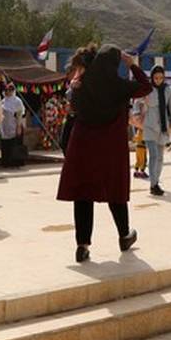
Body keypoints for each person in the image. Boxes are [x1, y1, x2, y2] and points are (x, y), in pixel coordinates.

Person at [57, 44, 151, 263]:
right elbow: (146, 87)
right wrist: (132, 65)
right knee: (115, 191)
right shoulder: (121, 86)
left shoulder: (81, 84)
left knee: (83, 194)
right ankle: (124, 235)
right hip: (111, 148)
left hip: (83, 146)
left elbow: (73, 105)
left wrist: (75, 87)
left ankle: (82, 246)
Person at [141, 66, 171, 196]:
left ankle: (156, 181)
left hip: (163, 126)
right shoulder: (147, 89)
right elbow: (137, 104)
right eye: (156, 78)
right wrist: (140, 110)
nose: (158, 80)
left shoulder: (168, 89)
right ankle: (153, 184)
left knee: (160, 157)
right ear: (152, 77)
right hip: (149, 125)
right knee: (154, 155)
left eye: (161, 78)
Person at [0, 82, 26, 168]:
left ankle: (15, 162)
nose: (8, 92)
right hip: (5, 126)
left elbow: (19, 114)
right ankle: (6, 162)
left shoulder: (17, 101)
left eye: (10, 90)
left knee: (14, 144)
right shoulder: (3, 101)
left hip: (15, 125)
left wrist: (18, 126)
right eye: (6, 90)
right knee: (5, 145)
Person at [131, 98, 148, 180]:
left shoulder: (138, 131)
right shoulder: (143, 130)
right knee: (143, 160)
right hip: (142, 147)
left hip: (138, 147)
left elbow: (134, 139)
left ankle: (136, 171)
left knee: (138, 160)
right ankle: (142, 172)